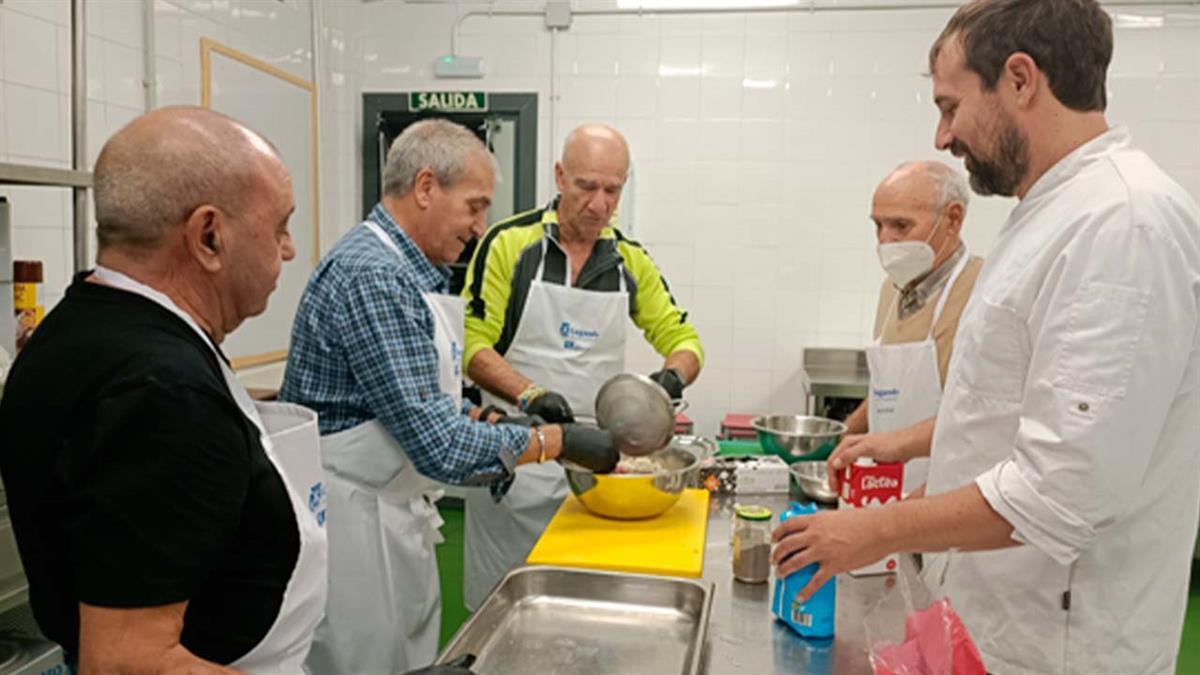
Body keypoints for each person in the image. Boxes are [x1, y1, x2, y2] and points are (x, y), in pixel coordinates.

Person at [772, 1, 1200, 672]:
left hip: (1056, 645)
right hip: (991, 621)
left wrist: (874, 529)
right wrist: (913, 494)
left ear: (1021, 79)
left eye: (950, 106)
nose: (942, 136)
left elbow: (1062, 490)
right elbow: (1003, 416)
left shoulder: (1122, 223)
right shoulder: (1050, 213)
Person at [279, 118, 617, 674]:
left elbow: (427, 399)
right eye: (475, 206)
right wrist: (555, 441)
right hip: (353, 524)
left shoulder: (415, 273)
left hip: (390, 507)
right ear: (427, 186)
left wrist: (486, 415)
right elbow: (438, 444)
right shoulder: (374, 276)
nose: (481, 226)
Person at [0, 107, 327, 672]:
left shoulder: (86, 321)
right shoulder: (163, 392)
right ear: (208, 236)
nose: (289, 249)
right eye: (279, 227)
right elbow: (129, 663)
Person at [460, 124, 705, 608]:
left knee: (577, 606)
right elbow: (470, 345)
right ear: (559, 176)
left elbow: (684, 339)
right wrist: (530, 394)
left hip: (594, 475)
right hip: (518, 462)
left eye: (612, 190)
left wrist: (671, 377)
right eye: (586, 186)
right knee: (500, 609)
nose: (598, 204)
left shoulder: (629, 262)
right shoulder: (509, 244)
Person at [827, 161, 983, 492]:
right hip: (887, 489)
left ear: (953, 219)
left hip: (947, 495)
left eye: (900, 225)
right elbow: (892, 394)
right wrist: (841, 435)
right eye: (878, 226)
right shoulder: (893, 289)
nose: (886, 241)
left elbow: (984, 424)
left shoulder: (983, 292)